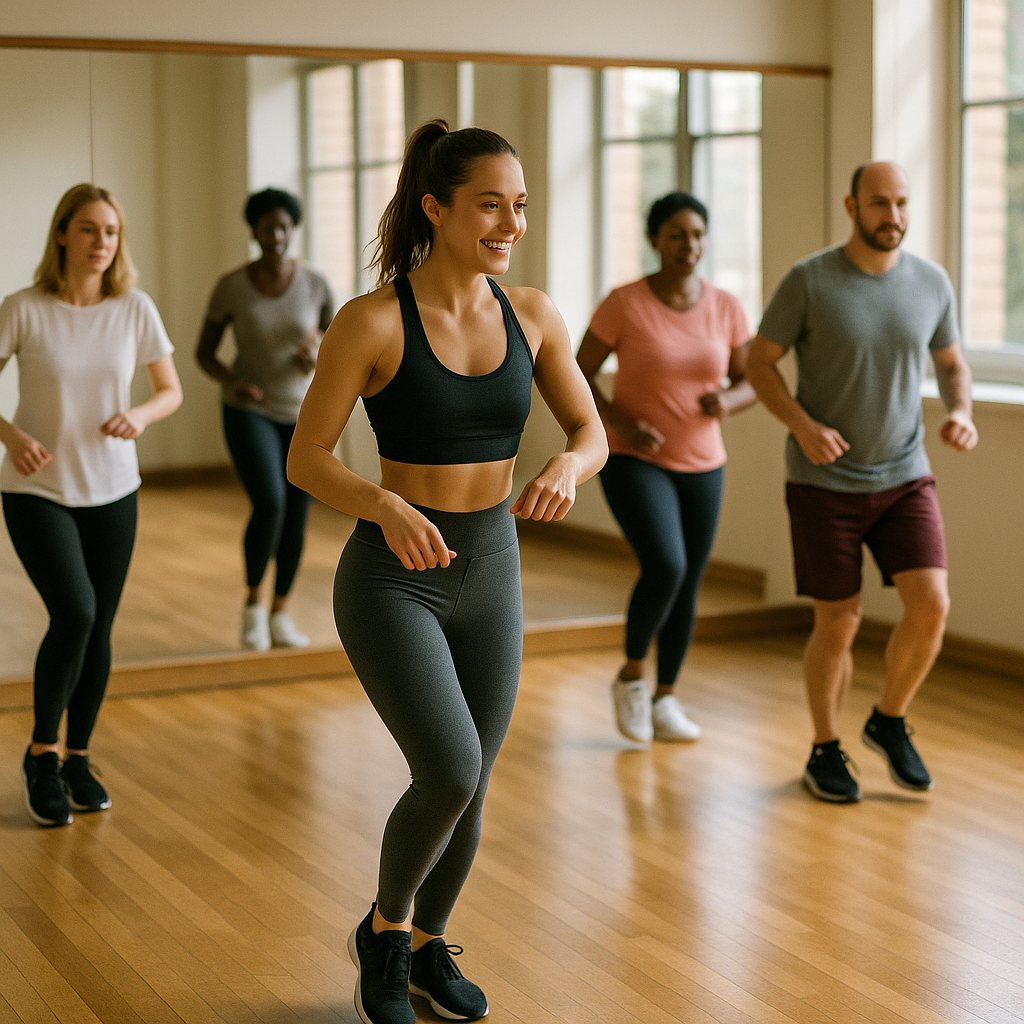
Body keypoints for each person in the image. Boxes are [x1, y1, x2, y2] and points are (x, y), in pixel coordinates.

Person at [287, 120, 607, 1024]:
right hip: (395, 577)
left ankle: (429, 948)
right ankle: (384, 938)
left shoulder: (532, 313)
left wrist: (566, 467)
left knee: (474, 786)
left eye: (521, 206)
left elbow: (593, 430)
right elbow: (306, 459)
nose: (510, 223)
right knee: (452, 769)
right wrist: (384, 504)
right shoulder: (374, 319)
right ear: (436, 207)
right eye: (490, 204)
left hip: (493, 567)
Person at [746, 161, 978, 803]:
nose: (894, 217)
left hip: (906, 475)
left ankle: (890, 719)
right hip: (824, 481)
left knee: (931, 605)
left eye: (902, 203)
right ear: (852, 206)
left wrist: (959, 411)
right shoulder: (810, 280)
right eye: (880, 204)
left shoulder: (931, 282)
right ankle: (825, 747)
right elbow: (757, 361)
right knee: (840, 621)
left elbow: (952, 363)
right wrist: (801, 424)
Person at [0, 183, 183, 828]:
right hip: (36, 489)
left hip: (114, 488)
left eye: (110, 232)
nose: (101, 242)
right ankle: (41, 755)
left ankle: (78, 756)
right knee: (74, 612)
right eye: (87, 229)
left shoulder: (133, 308)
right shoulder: (23, 308)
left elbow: (170, 390)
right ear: (61, 235)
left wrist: (138, 414)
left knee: (99, 625)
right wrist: (11, 435)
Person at [577, 192, 755, 745]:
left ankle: (667, 697)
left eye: (698, 235)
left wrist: (728, 401)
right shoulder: (624, 303)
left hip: (704, 462)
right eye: (676, 234)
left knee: (689, 580)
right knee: (668, 565)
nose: (689, 245)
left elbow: (752, 381)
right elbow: (577, 373)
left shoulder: (725, 306)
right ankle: (632, 677)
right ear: (655, 239)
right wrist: (623, 425)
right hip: (633, 458)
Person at [196, 188, 335, 651]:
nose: (275, 235)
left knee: (297, 513)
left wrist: (315, 351)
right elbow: (205, 354)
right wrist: (232, 381)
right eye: (266, 227)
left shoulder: (315, 284)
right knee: (271, 502)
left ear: (293, 229)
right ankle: (252, 608)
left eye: (283, 226)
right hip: (248, 409)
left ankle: (280, 613)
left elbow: (340, 345)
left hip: (303, 413)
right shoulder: (232, 286)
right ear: (253, 230)